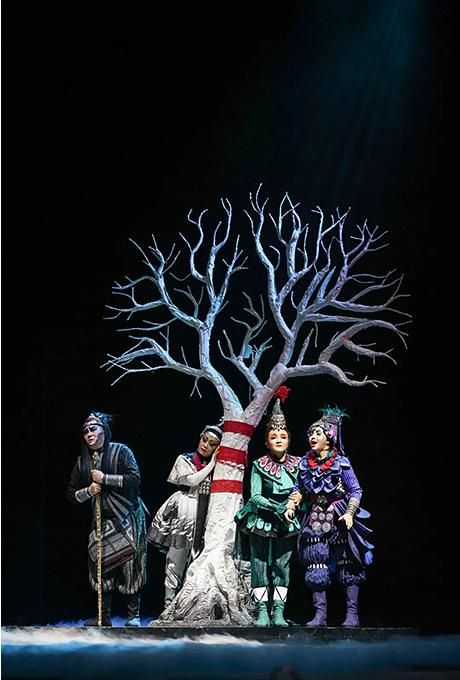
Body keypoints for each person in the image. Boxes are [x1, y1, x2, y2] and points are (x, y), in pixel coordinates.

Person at [284, 406, 373, 627]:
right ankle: (320, 615)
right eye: (310, 434)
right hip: (315, 516)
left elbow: (356, 490)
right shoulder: (305, 464)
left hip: (339, 514)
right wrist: (291, 505)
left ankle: (352, 614)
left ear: (329, 437)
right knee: (315, 561)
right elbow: (298, 488)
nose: (312, 437)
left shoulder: (341, 463)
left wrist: (350, 514)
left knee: (347, 563)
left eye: (317, 433)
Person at [66, 411, 147, 627]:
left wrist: (105, 478)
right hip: (102, 521)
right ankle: (104, 617)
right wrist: (89, 491)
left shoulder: (122, 451)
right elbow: (71, 494)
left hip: (127, 515)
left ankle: (133, 616)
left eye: (93, 429)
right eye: (85, 431)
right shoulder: (83, 462)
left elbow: (134, 478)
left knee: (131, 565)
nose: (89, 434)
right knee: (101, 567)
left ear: (104, 430)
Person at [235, 387, 301, 627]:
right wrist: (277, 507)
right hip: (262, 519)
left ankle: (279, 611)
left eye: (283, 436)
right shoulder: (259, 464)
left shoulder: (298, 464)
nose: (279, 440)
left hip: (287, 520)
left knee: (282, 565)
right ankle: (262, 610)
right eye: (274, 437)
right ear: (267, 441)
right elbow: (254, 497)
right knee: (260, 564)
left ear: (289, 440)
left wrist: (293, 503)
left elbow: (301, 490)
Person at [147, 420, 223, 609]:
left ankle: (190, 604)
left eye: (212, 444)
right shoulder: (185, 459)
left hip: (206, 513)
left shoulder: (220, 468)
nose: (206, 445)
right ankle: (169, 604)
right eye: (204, 440)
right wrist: (212, 464)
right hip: (185, 510)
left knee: (199, 561)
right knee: (176, 559)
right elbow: (191, 481)